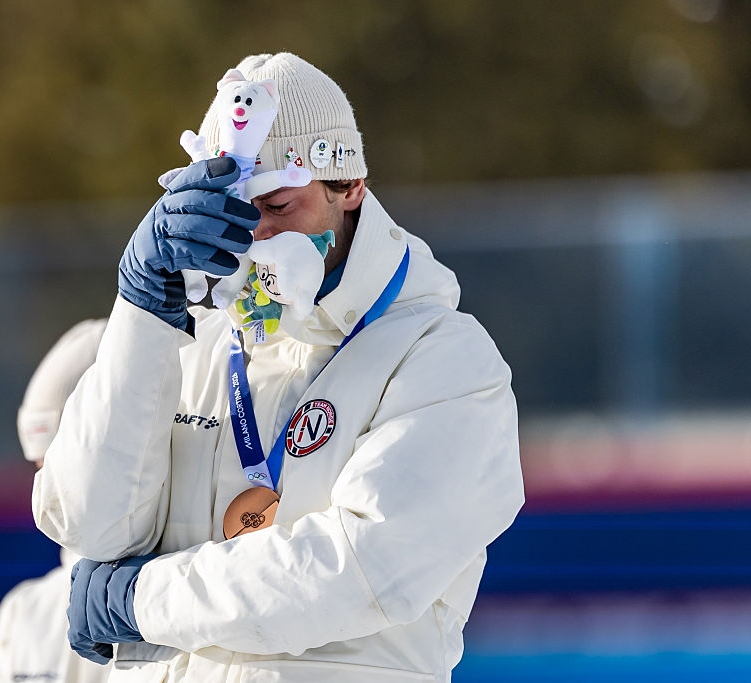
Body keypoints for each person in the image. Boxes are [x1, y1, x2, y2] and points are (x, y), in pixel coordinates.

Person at [32, 52, 525, 683]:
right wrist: (141, 311)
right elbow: (89, 524)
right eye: (233, 209)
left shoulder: (444, 359)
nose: (255, 234)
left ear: (350, 186)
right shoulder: (189, 343)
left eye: (278, 204)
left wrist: (144, 601)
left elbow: (360, 570)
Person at [0, 318, 110, 683]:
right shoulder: (26, 614)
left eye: (61, 468)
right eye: (39, 468)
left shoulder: (174, 598)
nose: (47, 492)